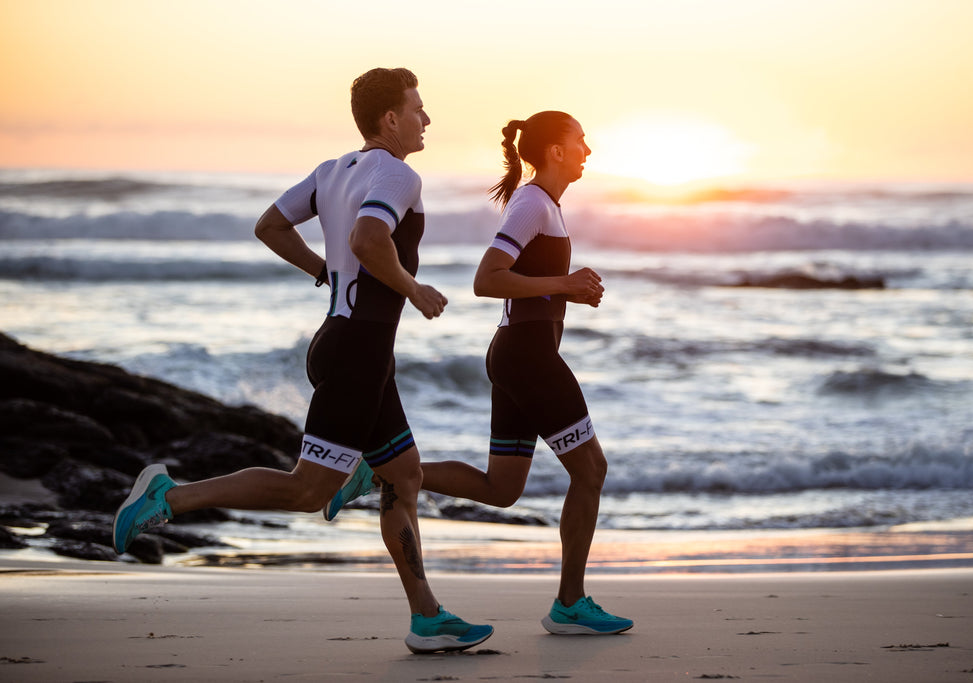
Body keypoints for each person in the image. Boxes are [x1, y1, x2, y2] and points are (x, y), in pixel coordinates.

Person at [112, 67, 493, 655]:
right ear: (390, 119)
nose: (427, 119)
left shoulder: (330, 171)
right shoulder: (397, 173)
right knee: (307, 491)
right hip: (358, 357)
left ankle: (428, 618)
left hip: (342, 344)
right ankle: (168, 495)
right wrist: (411, 288)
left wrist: (323, 270)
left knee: (406, 475)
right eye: (418, 108)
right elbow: (370, 242)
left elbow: (269, 226)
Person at [328, 111, 633, 636]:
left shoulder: (547, 205)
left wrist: (567, 289)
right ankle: (570, 603)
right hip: (527, 359)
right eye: (580, 141)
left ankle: (381, 473)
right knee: (591, 471)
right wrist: (565, 283)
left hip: (519, 354)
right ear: (555, 151)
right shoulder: (533, 202)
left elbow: (528, 283)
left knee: (501, 488)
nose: (588, 149)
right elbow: (487, 279)